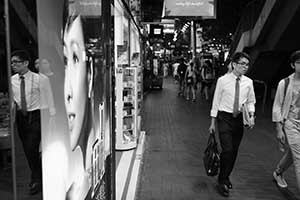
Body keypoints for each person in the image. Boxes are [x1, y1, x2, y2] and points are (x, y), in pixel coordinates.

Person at [208, 52, 256, 197]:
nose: (245, 67)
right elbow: (216, 101)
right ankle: (222, 181)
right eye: (242, 64)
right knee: (227, 150)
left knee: (234, 151)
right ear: (234, 64)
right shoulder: (223, 81)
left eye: (247, 65)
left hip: (239, 119)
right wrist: (212, 123)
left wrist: (252, 115)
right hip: (224, 118)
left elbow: (250, 101)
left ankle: (226, 175)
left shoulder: (248, 82)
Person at [11, 50, 45, 195]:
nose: (13, 65)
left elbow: (49, 100)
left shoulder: (39, 79)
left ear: (26, 63)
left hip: (36, 115)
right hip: (21, 118)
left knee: (32, 148)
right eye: (12, 62)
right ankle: (37, 174)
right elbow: (13, 102)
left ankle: (37, 180)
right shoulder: (12, 80)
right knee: (27, 150)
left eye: (16, 62)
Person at [272, 50, 300, 190]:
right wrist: (279, 129)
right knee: (299, 157)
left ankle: (278, 172)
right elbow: (277, 106)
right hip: (291, 123)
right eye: (299, 62)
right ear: (292, 65)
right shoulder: (285, 83)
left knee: (294, 153)